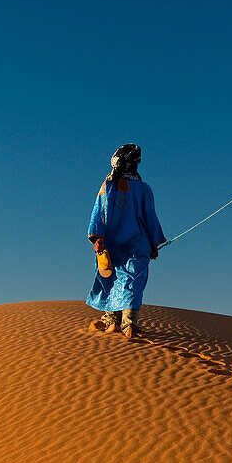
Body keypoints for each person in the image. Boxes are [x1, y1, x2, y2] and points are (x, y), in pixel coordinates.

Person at [86, 144, 166, 338]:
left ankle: (112, 321)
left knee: (112, 280)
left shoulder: (109, 185)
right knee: (132, 282)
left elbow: (98, 212)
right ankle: (127, 324)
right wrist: (154, 244)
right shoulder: (141, 189)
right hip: (136, 245)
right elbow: (150, 218)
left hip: (113, 244)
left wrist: (97, 237)